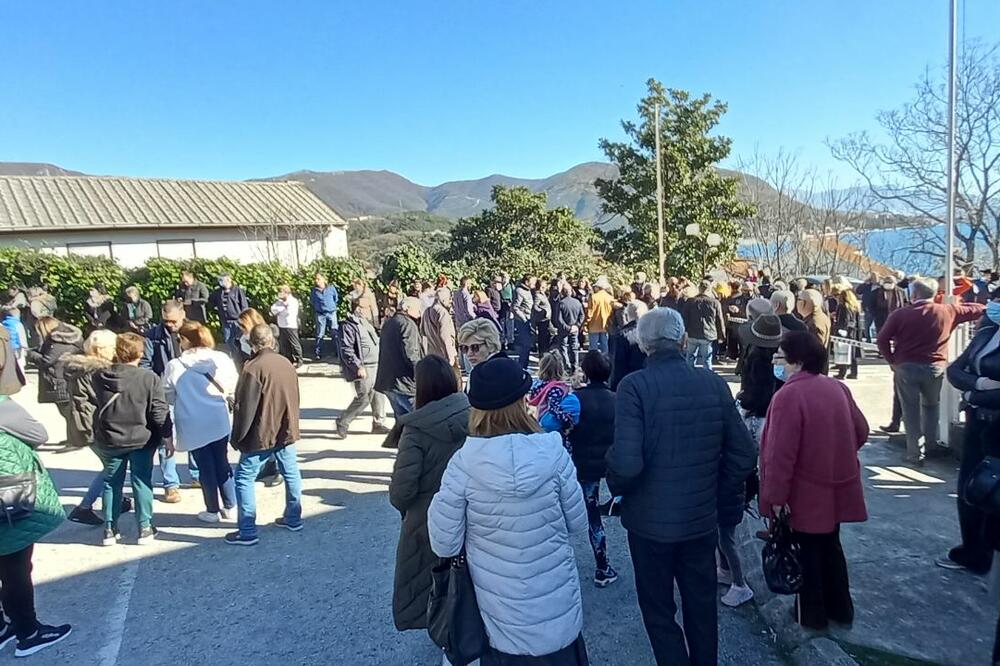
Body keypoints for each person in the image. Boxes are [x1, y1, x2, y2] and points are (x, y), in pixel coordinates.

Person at [605, 307, 755, 666]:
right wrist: (717, 490)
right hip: (699, 520)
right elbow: (744, 452)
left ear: (643, 345)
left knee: (658, 611)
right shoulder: (713, 382)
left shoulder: (634, 387)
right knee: (702, 607)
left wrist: (612, 478)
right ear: (684, 341)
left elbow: (626, 463)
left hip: (648, 525)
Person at [428, 355, 590, 664]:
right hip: (557, 612)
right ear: (523, 401)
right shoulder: (553, 452)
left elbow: (444, 543)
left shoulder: (462, 465)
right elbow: (578, 523)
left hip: (499, 617)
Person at [761, 331, 868, 630]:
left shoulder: (788, 396)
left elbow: (779, 455)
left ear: (797, 360)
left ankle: (811, 616)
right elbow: (861, 431)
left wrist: (775, 498)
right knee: (831, 548)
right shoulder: (837, 387)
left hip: (804, 491)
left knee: (805, 554)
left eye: (779, 356)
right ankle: (841, 609)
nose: (774, 361)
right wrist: (835, 455)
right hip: (836, 486)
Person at [388, 355, 469, 632]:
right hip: (469, 508)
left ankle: (443, 629)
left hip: (427, 516)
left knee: (431, 582)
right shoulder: (473, 413)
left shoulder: (416, 429)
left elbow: (402, 489)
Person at [877, 277, 985, 465]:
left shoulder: (900, 314)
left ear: (914, 294)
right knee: (931, 406)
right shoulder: (948, 311)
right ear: (934, 294)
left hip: (906, 366)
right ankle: (931, 444)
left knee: (910, 410)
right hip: (935, 367)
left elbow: (882, 339)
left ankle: (914, 454)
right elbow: (977, 309)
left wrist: (891, 360)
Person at [0, 391, 73, 657]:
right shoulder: (2, 407)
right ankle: (28, 633)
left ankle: (4, 624)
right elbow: (38, 434)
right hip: (7, 497)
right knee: (15, 567)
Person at [937, 296, 1000, 574]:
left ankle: (989, 552)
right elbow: (954, 370)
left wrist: (973, 393)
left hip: (997, 427)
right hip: (977, 422)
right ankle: (972, 550)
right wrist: (978, 385)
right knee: (969, 488)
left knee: (993, 489)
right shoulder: (987, 332)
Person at [226, 324, 302, 546]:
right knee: (290, 471)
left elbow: (245, 407)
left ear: (252, 344)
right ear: (272, 341)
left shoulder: (252, 368)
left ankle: (247, 530)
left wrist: (238, 437)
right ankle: (293, 516)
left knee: (244, 478)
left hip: (262, 433)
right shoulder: (286, 363)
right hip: (285, 429)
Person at [92, 332, 170, 546]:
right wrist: (167, 436)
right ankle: (144, 526)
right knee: (141, 480)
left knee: (111, 482)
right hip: (141, 437)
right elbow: (158, 411)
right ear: (140, 353)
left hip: (110, 437)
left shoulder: (99, 376)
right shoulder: (148, 378)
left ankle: (109, 527)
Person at [162, 322, 239, 523]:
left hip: (191, 420)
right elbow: (232, 384)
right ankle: (231, 505)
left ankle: (212, 509)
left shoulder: (175, 365)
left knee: (204, 466)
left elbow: (167, 394)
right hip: (218, 417)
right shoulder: (221, 358)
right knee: (222, 461)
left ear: (186, 340)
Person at [63, 330, 132, 525]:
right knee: (112, 467)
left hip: (83, 424)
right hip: (96, 425)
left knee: (109, 466)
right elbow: (104, 401)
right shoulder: (98, 372)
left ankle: (114, 501)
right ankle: (85, 507)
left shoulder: (79, 368)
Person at [564, 350, 619, 588]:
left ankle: (602, 566)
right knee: (601, 515)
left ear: (584, 372)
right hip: (613, 463)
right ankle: (604, 567)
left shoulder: (575, 398)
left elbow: (551, 423)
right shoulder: (618, 398)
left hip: (583, 462)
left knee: (592, 516)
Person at [140, 300, 195, 502]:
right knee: (167, 437)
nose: (170, 325)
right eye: (166, 321)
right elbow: (145, 364)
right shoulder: (153, 336)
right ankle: (171, 484)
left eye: (173, 321)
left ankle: (197, 474)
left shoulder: (193, 331)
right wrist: (156, 385)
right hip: (164, 392)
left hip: (189, 390)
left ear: (183, 315)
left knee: (194, 433)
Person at [336, 296, 390, 438]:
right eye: (367, 307)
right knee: (363, 398)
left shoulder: (366, 322)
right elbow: (346, 349)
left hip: (376, 363)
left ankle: (378, 423)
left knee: (378, 394)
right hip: (364, 366)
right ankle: (343, 421)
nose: (370, 310)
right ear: (358, 309)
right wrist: (357, 366)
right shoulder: (348, 325)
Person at [26, 317, 83, 423]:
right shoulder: (70, 339)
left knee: (69, 415)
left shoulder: (57, 343)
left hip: (59, 382)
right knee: (70, 415)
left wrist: (31, 354)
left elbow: (46, 360)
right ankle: (71, 437)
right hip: (67, 379)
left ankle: (75, 438)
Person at [374, 297, 423, 419]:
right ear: (407, 308)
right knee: (421, 420)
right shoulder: (407, 324)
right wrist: (422, 375)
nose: (419, 312)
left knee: (402, 422)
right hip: (404, 383)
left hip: (389, 382)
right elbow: (412, 354)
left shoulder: (390, 322)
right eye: (417, 309)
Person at [682, 280, 726, 372]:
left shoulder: (690, 301)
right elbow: (719, 320)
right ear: (709, 289)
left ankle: (689, 375)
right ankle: (708, 377)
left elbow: (685, 318)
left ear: (699, 289)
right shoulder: (715, 302)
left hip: (692, 333)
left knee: (690, 357)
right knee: (707, 359)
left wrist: (684, 333)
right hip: (708, 334)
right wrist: (721, 336)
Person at [610, 301, 648, 390]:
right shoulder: (653, 332)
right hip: (649, 380)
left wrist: (614, 388)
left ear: (627, 315)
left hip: (629, 381)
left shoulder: (622, 335)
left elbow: (617, 365)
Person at [421, 287, 459, 374]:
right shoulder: (442, 312)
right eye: (449, 298)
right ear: (444, 299)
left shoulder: (426, 311)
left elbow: (422, 332)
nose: (450, 301)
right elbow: (445, 336)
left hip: (432, 354)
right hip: (444, 355)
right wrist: (450, 357)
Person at [209, 273, 250, 351]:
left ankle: (241, 357)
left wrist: (244, 319)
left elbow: (244, 305)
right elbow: (211, 301)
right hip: (225, 321)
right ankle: (234, 358)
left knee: (239, 340)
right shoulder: (218, 292)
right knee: (229, 341)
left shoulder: (237, 290)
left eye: (222, 280)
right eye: (219, 280)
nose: (220, 282)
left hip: (237, 321)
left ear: (228, 280)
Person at [833, 285, 862, 380]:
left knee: (843, 352)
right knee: (852, 354)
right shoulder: (855, 306)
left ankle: (842, 373)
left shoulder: (843, 306)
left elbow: (844, 320)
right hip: (853, 332)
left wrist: (839, 329)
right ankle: (854, 373)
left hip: (844, 332)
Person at [555, 283, 584, 374]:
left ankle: (567, 366)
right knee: (574, 348)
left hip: (564, 329)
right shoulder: (577, 302)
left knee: (563, 347)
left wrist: (567, 328)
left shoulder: (561, 303)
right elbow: (582, 315)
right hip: (574, 328)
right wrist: (577, 325)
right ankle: (575, 366)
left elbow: (559, 319)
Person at [270, 284, 302, 367]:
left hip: (290, 325)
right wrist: (282, 309)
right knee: (284, 344)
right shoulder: (279, 302)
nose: (279, 294)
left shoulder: (293, 301)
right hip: (281, 325)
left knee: (294, 343)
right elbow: (273, 309)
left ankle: (299, 360)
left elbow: (289, 313)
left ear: (286, 293)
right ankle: (288, 359)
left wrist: (280, 311)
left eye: (281, 292)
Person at [310, 273, 340, 360]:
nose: (317, 281)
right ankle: (318, 353)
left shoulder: (331, 288)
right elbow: (312, 301)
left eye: (318, 279)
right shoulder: (314, 291)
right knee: (320, 333)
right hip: (320, 314)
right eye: (316, 279)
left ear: (324, 279)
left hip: (331, 312)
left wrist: (331, 306)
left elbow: (336, 298)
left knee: (335, 332)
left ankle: (337, 352)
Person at [586, 277, 615, 355]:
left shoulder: (593, 297)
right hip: (606, 325)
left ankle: (593, 363)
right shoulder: (610, 298)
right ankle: (606, 362)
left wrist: (586, 323)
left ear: (598, 287)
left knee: (593, 348)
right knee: (605, 346)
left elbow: (590, 312)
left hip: (594, 325)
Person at [512, 275, 535, 368]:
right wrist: (524, 319)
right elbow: (515, 307)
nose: (534, 284)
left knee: (528, 344)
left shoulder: (529, 291)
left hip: (529, 319)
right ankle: (522, 366)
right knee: (525, 344)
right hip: (523, 321)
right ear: (526, 282)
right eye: (532, 282)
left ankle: (524, 364)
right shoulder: (519, 291)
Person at [533, 284, 555, 360]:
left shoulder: (544, 294)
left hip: (547, 319)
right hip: (542, 319)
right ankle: (542, 355)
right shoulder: (537, 295)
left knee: (550, 334)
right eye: (542, 287)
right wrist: (543, 312)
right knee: (543, 338)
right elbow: (535, 306)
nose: (544, 289)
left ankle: (545, 352)